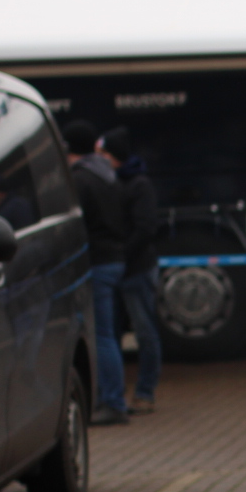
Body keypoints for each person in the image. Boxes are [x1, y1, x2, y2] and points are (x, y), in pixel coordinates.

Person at [65, 120, 131, 426]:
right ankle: (111, 397)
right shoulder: (108, 177)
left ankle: (113, 402)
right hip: (115, 258)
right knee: (109, 334)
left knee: (101, 335)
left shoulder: (80, 180)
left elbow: (76, 227)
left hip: (98, 261)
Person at [101, 128, 161, 414]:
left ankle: (145, 391)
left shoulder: (138, 185)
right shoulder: (114, 183)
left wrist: (121, 256)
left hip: (135, 269)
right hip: (122, 268)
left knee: (144, 331)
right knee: (110, 333)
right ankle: (115, 392)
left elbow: (146, 228)